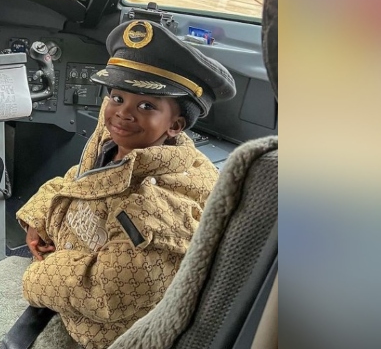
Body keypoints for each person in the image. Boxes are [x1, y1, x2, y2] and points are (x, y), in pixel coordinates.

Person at [15, 19, 237, 349]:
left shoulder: (156, 206)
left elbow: (110, 292)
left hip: (104, 332)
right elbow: (80, 181)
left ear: (175, 125)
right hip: (74, 264)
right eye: (117, 97)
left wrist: (37, 276)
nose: (123, 113)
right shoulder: (115, 141)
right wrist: (37, 218)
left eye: (146, 105)